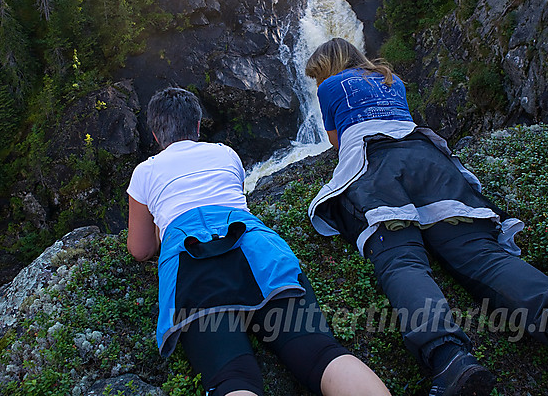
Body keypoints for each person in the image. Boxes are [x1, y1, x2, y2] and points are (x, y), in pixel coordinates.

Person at [304, 38, 548, 396]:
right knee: (482, 255)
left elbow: (336, 142)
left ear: (328, 67)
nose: (320, 81)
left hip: (377, 169)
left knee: (402, 261)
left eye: (318, 75)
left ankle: (450, 360)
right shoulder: (392, 79)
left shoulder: (332, 87)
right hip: (430, 160)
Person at [126, 86, 391, 396]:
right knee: (320, 354)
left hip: (193, 266)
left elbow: (140, 249)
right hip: (255, 249)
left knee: (233, 378)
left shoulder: (145, 171)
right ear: (198, 127)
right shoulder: (225, 153)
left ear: (156, 136)